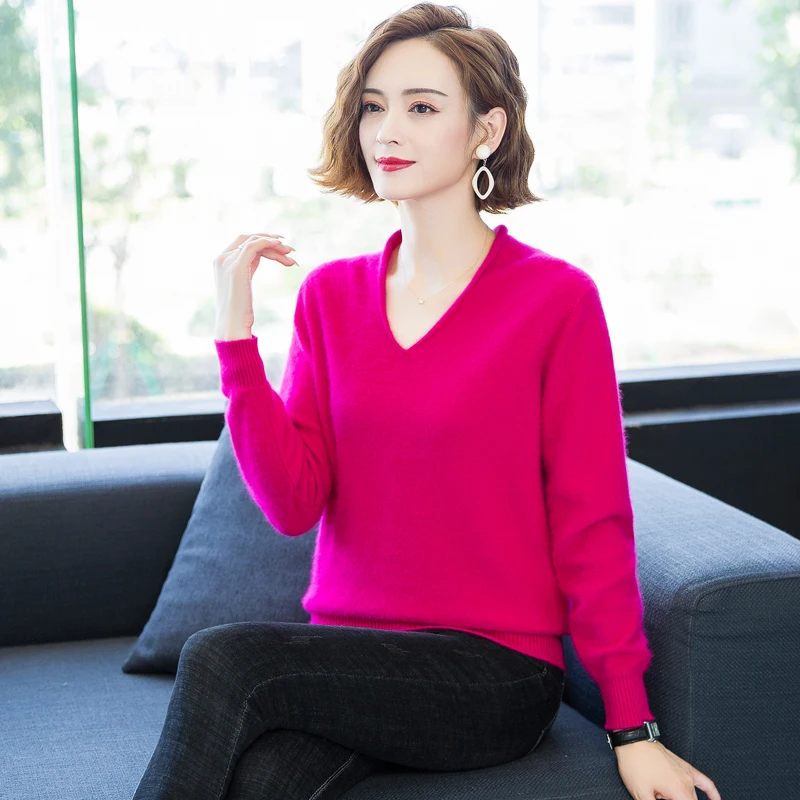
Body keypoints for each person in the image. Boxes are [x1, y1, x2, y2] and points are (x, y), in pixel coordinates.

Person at [133, 4, 721, 799]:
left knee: (223, 657)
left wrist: (632, 727)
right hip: (350, 658)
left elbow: (594, 524)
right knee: (261, 781)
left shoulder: (556, 301)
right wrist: (235, 343)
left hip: (495, 671)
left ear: (486, 130)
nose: (387, 131)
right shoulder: (329, 298)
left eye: (421, 107)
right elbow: (292, 504)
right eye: (374, 106)